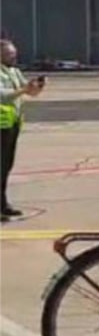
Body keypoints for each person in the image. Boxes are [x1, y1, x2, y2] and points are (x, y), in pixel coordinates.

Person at [1, 39, 45, 221]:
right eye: (10, 54)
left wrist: (37, 87)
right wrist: (23, 89)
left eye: (14, 54)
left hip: (12, 124)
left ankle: (2, 204)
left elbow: (29, 92)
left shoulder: (14, 71)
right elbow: (3, 95)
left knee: (5, 166)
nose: (14, 57)